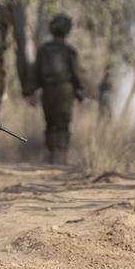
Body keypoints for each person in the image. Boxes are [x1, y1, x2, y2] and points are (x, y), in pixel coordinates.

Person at [27, 14, 87, 165]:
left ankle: (53, 154)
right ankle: (60, 155)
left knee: (50, 123)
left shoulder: (43, 50)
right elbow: (76, 73)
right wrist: (81, 90)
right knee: (63, 123)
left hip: (48, 90)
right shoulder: (69, 51)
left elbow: (35, 73)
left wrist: (31, 92)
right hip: (65, 90)